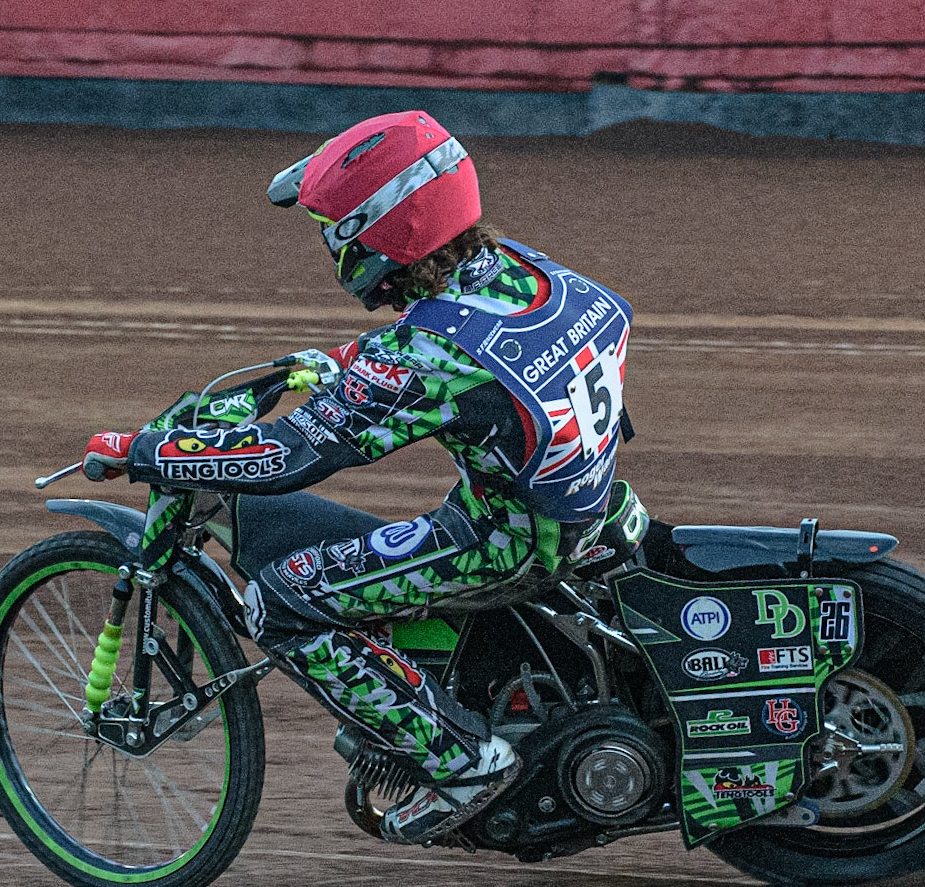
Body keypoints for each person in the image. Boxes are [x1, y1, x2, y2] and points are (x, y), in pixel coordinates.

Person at [81, 111, 635, 845]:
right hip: (595, 506)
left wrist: (146, 451)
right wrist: (341, 362)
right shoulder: (531, 273)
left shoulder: (428, 353)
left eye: (332, 226)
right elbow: (434, 346)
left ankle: (460, 761)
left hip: (504, 544)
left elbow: (286, 458)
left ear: (375, 233)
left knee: (284, 599)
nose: (326, 241)